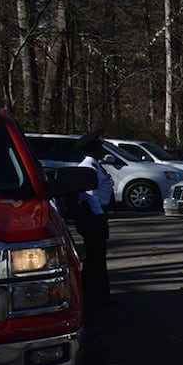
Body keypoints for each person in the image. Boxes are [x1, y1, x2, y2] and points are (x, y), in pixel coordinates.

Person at [70, 132, 114, 308]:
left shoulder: (95, 165)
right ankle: (93, 297)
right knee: (94, 258)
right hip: (92, 216)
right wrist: (99, 215)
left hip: (96, 213)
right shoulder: (88, 167)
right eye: (100, 146)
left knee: (97, 257)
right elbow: (90, 195)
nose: (103, 149)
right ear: (93, 149)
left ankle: (100, 296)